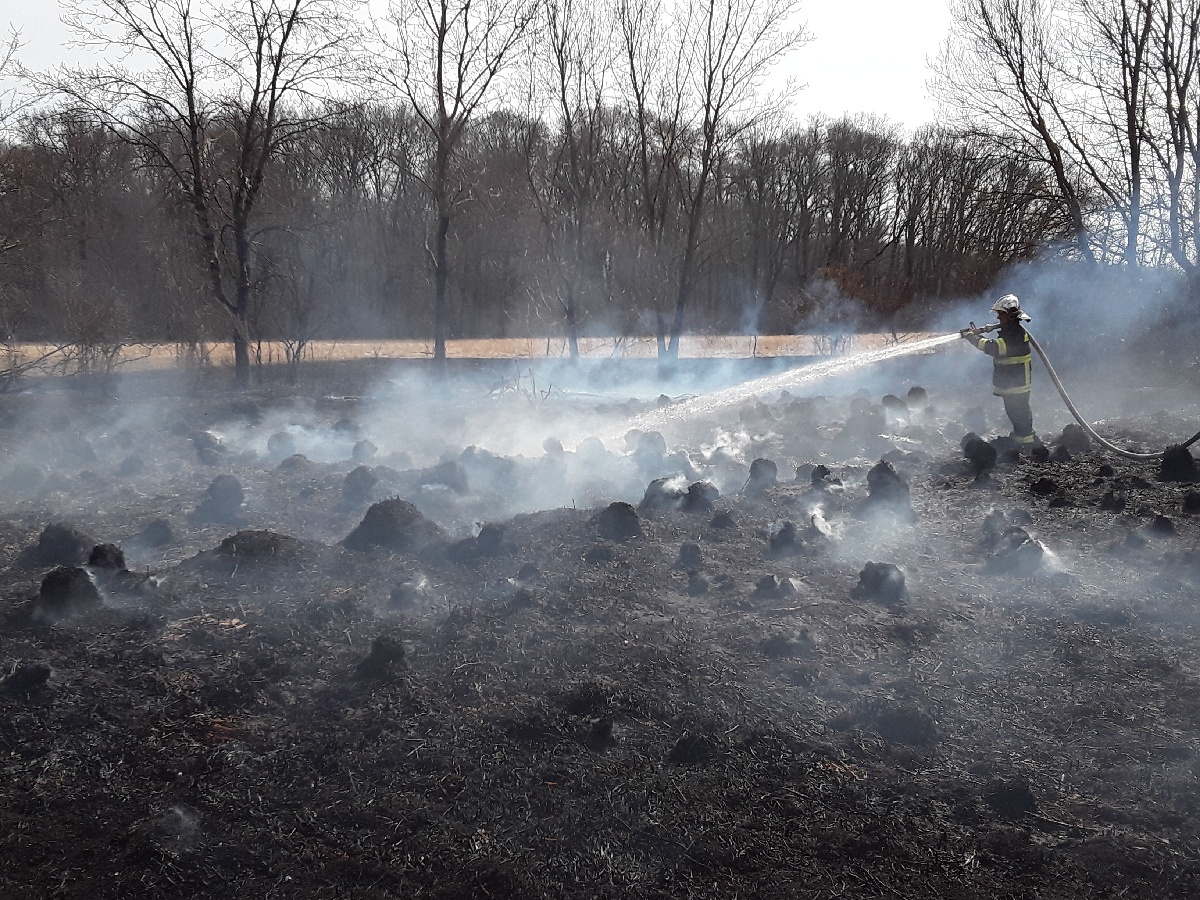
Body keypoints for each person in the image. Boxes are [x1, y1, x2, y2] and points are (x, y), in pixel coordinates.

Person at [961, 293, 1038, 449]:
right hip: (1013, 383)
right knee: (1015, 414)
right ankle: (1022, 439)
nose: (998, 318)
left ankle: (1027, 444)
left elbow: (992, 347)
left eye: (1001, 315)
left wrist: (971, 337)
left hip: (1017, 384)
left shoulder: (1014, 335)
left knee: (1020, 415)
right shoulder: (1012, 332)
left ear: (1011, 316)